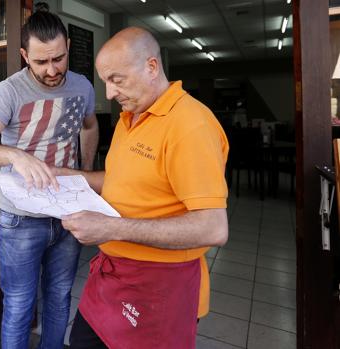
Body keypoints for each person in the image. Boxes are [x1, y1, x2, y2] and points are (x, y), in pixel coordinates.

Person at [53, 27, 229, 349]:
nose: (108, 93)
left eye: (117, 79)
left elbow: (213, 228)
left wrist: (110, 227)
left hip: (160, 285)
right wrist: (62, 174)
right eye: (105, 81)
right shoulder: (131, 116)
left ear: (151, 67)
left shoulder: (190, 124)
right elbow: (122, 181)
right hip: (111, 276)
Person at [0, 3, 99, 348]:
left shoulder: (82, 87)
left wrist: (84, 174)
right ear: (24, 55)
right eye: (41, 61)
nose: (52, 70)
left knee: (60, 298)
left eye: (59, 58)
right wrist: (14, 155)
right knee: (20, 305)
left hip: (66, 212)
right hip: (20, 219)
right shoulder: (10, 91)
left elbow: (91, 125)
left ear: (67, 46)